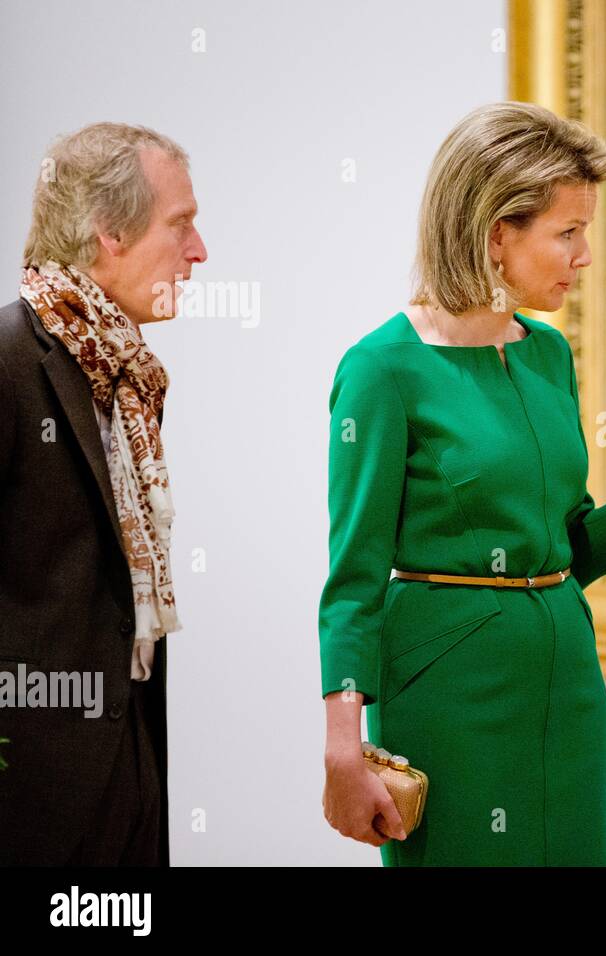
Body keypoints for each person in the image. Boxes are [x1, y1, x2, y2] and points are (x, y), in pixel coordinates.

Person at [319, 101, 606, 865]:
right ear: (495, 234)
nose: (585, 255)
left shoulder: (548, 353)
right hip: (451, 697)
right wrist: (342, 752)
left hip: (568, 688)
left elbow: (570, 548)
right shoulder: (381, 371)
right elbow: (353, 582)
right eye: (568, 233)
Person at [0, 123, 207, 864]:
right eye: (180, 224)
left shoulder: (127, 376)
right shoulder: (10, 358)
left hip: (129, 759)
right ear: (109, 232)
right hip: (29, 792)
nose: (200, 251)